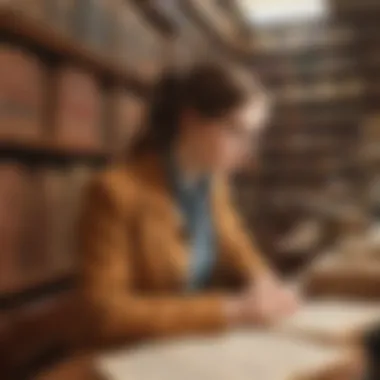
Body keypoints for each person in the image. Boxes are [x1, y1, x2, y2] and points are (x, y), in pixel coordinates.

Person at [78, 62, 298, 344]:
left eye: (252, 136)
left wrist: (265, 282)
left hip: (183, 344)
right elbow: (105, 313)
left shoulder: (213, 184)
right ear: (190, 121)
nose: (248, 153)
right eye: (236, 131)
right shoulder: (113, 192)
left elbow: (236, 243)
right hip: (128, 354)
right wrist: (233, 310)